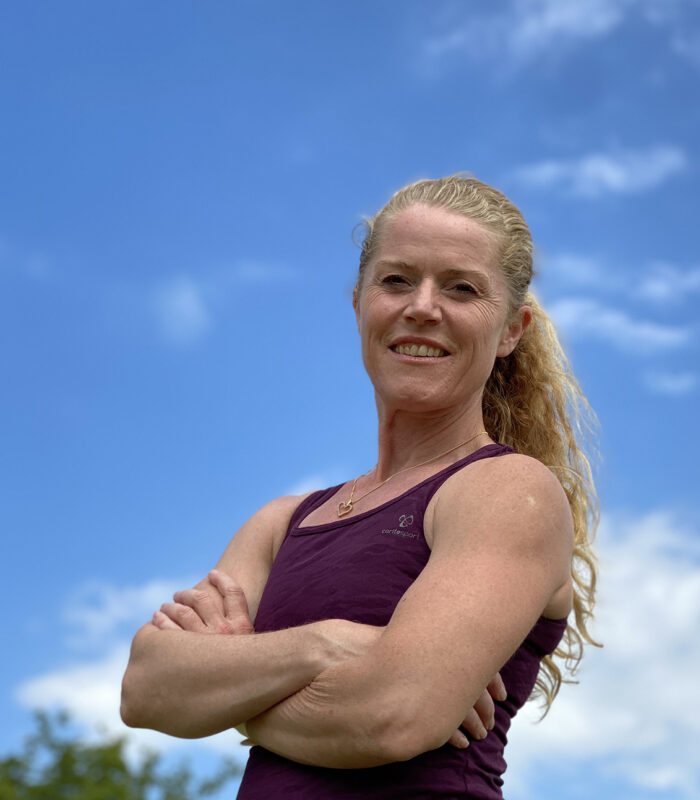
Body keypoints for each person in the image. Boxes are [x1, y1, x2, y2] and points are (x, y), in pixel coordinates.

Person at [121, 175, 600, 799]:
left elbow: (393, 716)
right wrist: (325, 646)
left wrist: (230, 689)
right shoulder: (282, 523)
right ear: (359, 304)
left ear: (512, 329)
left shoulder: (508, 491)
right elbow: (146, 689)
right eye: (397, 280)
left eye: (461, 288)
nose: (422, 306)